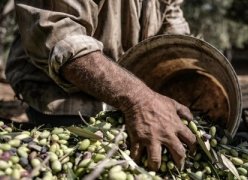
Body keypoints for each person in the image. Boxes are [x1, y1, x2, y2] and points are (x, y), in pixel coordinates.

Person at [5, 0, 196, 171]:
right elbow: (59, 34)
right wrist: (140, 100)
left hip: (128, 101)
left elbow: (175, 33)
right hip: (61, 98)